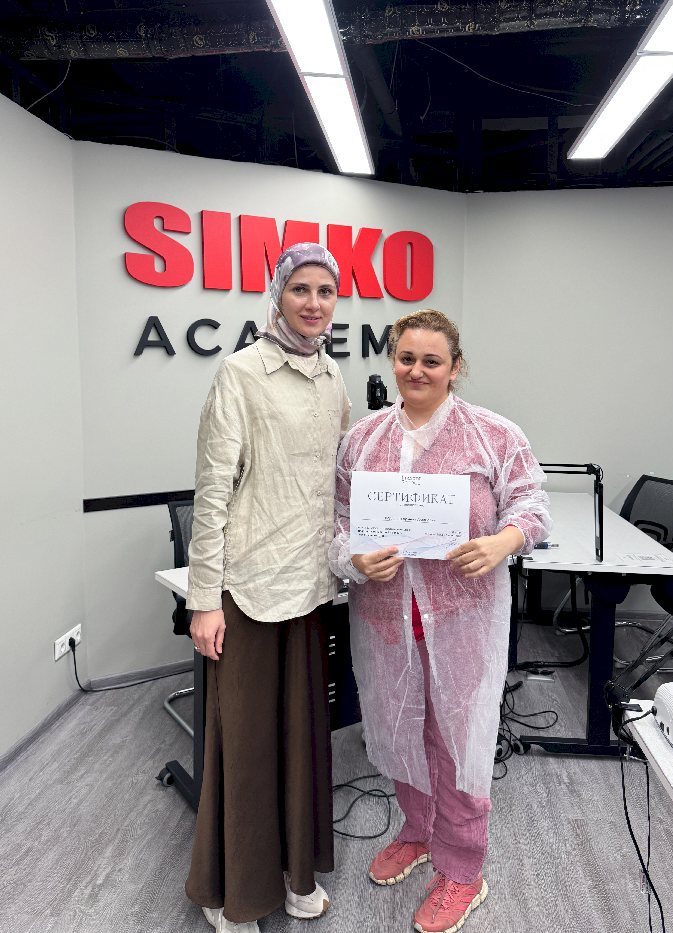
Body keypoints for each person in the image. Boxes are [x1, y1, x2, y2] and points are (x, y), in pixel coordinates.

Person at [329, 310, 551, 933]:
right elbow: (338, 521)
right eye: (407, 359)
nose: (417, 371)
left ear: (455, 368)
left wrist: (503, 541)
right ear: (393, 362)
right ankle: (419, 830)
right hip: (385, 617)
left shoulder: (492, 435)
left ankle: (463, 867)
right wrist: (353, 558)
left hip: (462, 619)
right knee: (400, 727)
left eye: (432, 361)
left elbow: (531, 504)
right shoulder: (363, 439)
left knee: (460, 741)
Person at [184, 243, 351, 933]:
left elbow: (338, 482)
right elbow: (212, 492)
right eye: (301, 289)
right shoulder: (241, 373)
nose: (314, 303)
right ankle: (232, 895)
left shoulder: (333, 375)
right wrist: (203, 600)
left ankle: (294, 876)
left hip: (309, 588)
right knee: (247, 746)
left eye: (325, 291)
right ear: (278, 294)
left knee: (301, 741)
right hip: (248, 589)